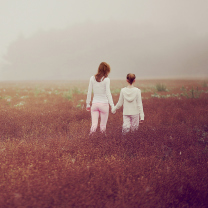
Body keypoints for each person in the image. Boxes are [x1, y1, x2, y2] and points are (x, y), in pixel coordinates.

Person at [86, 62, 114, 135]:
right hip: (104, 104)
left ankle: (90, 138)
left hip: (95, 104)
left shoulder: (92, 78)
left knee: (93, 125)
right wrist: (112, 105)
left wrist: (88, 104)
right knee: (103, 126)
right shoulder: (107, 79)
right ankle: (103, 139)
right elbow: (108, 93)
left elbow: (89, 92)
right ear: (107, 70)